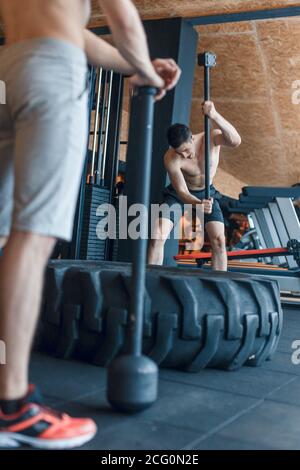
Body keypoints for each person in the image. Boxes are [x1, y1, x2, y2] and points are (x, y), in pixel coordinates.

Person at [0, 0, 181, 449]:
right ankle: (13, 407)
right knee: (32, 235)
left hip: (9, 66)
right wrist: (149, 73)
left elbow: (70, 31)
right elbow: (122, 18)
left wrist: (134, 65)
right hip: (52, 72)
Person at [148, 101, 241, 270]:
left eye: (186, 149)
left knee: (219, 240)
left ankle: (218, 287)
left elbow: (235, 141)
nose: (184, 155)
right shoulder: (171, 157)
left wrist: (214, 116)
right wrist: (198, 205)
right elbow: (182, 191)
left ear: (192, 138)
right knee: (157, 235)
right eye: (179, 152)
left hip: (207, 193)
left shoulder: (210, 138)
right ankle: (148, 282)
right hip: (180, 195)